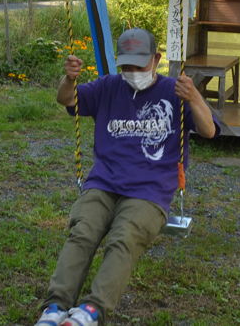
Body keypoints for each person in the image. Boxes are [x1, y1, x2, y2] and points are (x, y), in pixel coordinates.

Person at [35, 27, 220, 326]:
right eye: (126, 66)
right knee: (83, 231)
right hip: (104, 183)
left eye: (139, 65)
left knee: (124, 237)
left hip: (151, 190)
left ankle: (91, 311)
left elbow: (209, 130)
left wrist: (195, 98)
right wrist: (69, 78)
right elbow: (66, 100)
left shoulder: (175, 91)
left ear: (156, 59)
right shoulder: (108, 86)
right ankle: (55, 306)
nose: (132, 72)